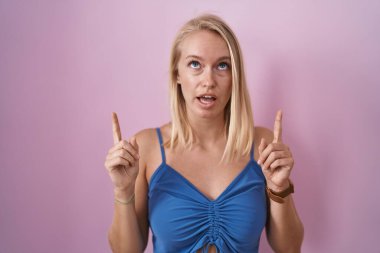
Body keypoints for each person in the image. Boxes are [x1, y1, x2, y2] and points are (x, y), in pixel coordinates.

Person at [104, 14, 304, 253]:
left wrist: (279, 187)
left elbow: (290, 248)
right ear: (177, 74)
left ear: (234, 77)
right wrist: (122, 191)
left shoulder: (263, 145)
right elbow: (125, 251)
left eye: (222, 66)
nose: (208, 81)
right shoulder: (146, 148)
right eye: (195, 64)